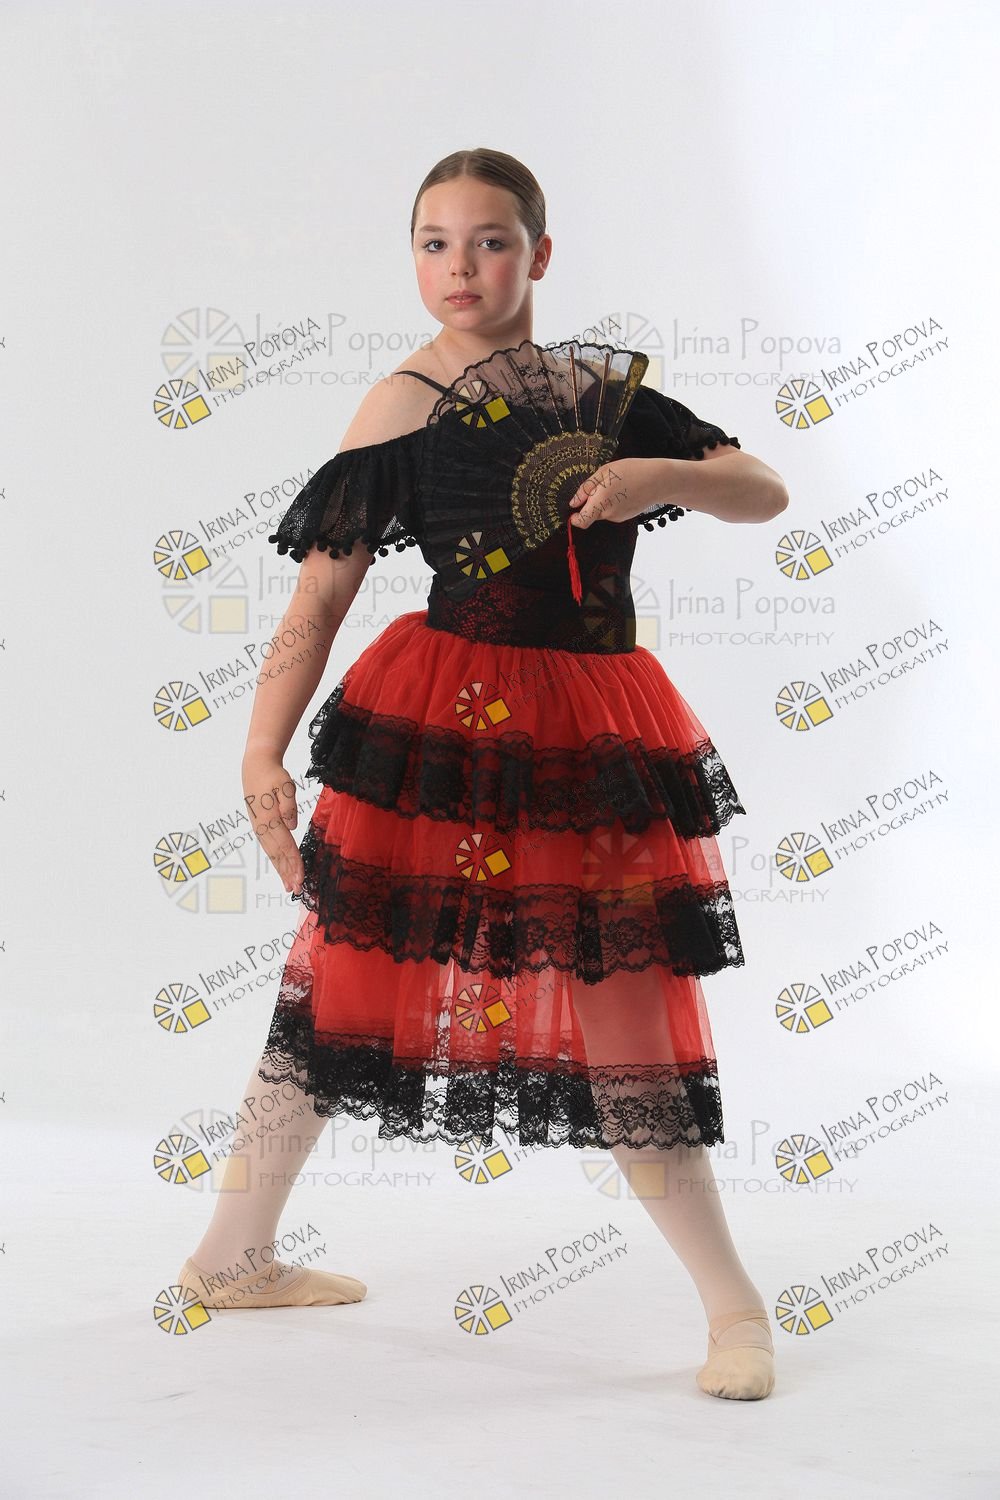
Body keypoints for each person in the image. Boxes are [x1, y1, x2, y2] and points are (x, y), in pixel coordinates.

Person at [176, 147, 789, 1402]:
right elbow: (319, 598)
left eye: (491, 241)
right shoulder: (400, 405)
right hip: (440, 725)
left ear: (538, 254)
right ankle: (228, 1256)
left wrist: (662, 477)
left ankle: (734, 1308)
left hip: (589, 730)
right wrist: (257, 751)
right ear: (413, 258)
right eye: (435, 243)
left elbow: (761, 489)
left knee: (627, 1001)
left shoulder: (601, 398)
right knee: (341, 987)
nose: (461, 267)